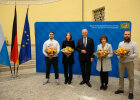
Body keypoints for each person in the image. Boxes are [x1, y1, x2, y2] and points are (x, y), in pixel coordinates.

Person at [115, 30, 138, 99]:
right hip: (121, 63)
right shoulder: (120, 43)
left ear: (130, 35)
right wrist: (119, 57)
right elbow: (118, 52)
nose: (127, 35)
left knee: (131, 78)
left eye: (128, 34)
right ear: (123, 35)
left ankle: (131, 92)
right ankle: (121, 89)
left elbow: (136, 54)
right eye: (125, 34)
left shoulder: (134, 43)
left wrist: (126, 56)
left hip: (129, 63)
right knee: (121, 76)